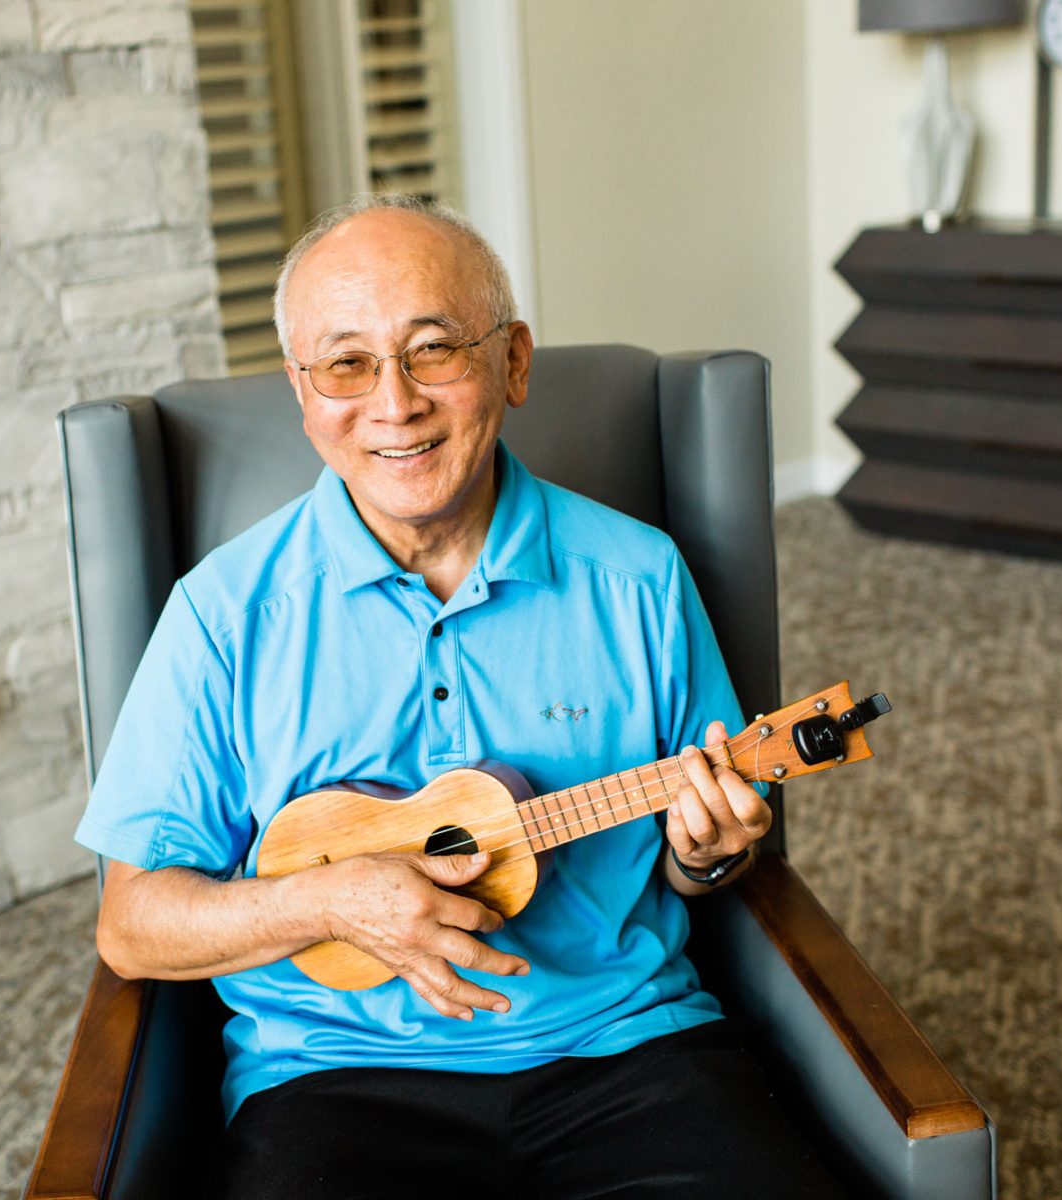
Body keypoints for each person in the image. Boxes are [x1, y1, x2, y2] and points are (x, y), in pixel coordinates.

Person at [74, 194, 844, 1199]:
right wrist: (330, 901)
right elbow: (131, 925)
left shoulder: (639, 577)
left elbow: (706, 862)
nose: (392, 404)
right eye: (346, 364)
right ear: (303, 396)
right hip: (332, 1080)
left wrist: (706, 851)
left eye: (433, 350)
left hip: (626, 1051)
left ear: (512, 363)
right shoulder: (223, 615)